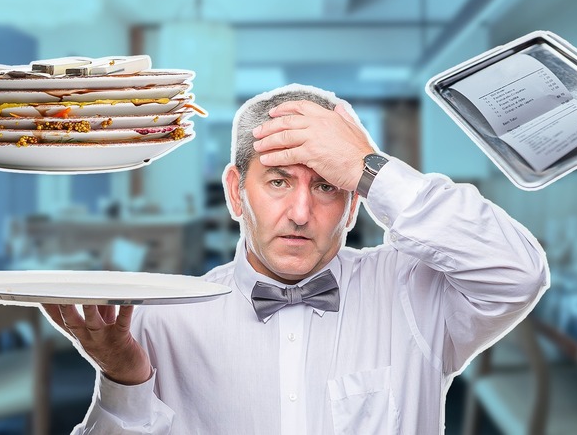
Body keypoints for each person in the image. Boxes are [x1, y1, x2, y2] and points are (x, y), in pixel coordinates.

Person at [42, 84, 549, 434]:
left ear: (354, 204)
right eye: (279, 181)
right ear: (237, 193)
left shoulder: (414, 293)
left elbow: (518, 274)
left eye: (328, 185)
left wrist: (369, 167)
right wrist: (123, 381)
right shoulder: (164, 318)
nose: (301, 212)